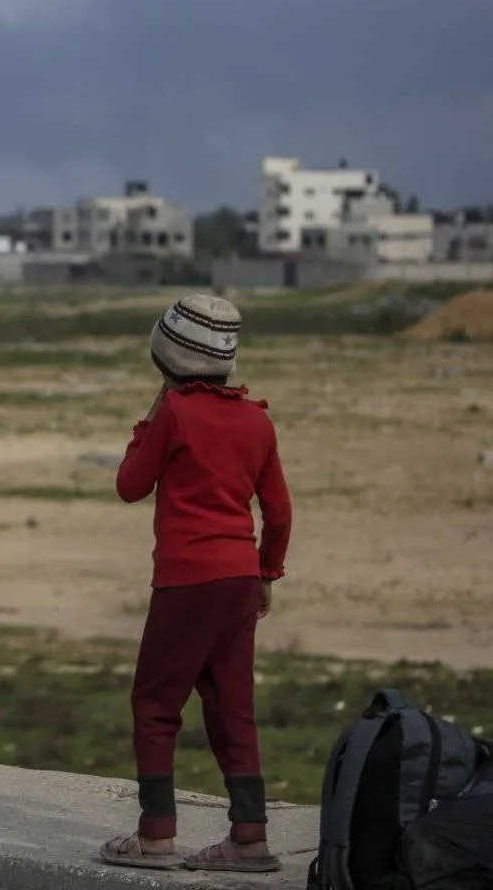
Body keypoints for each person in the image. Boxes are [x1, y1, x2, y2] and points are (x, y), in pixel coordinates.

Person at [100, 294, 293, 874]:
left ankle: (157, 836)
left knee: (156, 703)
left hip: (187, 581)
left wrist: (152, 417)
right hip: (238, 579)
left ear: (167, 362)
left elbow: (130, 485)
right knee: (233, 706)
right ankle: (249, 838)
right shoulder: (257, 418)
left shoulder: (177, 415)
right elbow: (279, 512)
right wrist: (266, 572)